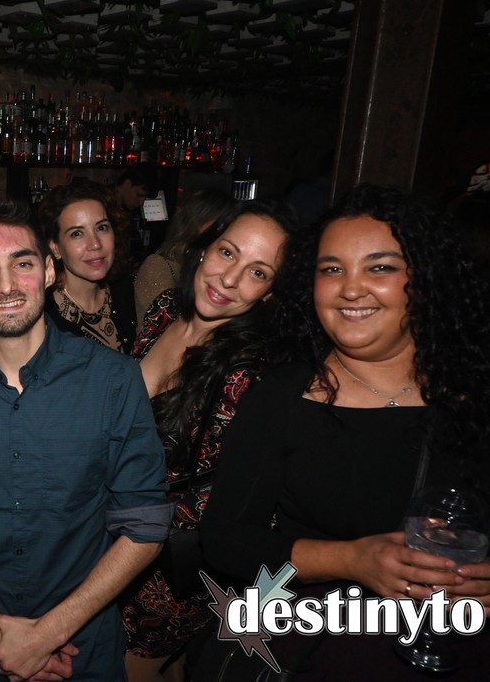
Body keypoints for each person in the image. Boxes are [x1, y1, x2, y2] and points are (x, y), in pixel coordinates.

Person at [199, 185, 490, 677]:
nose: (351, 289)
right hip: (321, 644)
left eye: (379, 267)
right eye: (332, 269)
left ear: (425, 277)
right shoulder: (284, 396)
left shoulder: (474, 394)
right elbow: (225, 541)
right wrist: (351, 560)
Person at [0, 201, 172, 681]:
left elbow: (146, 526)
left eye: (21, 263)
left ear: (47, 271)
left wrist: (44, 636)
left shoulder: (113, 380)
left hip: (79, 645)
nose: (5, 286)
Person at [123, 200, 297, 682]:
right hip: (118, 534)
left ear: (270, 292)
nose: (230, 278)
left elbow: (222, 500)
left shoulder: (247, 371)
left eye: (257, 272)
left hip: (170, 561)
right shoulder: (164, 312)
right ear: (204, 248)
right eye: (227, 252)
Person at [37, 178, 137, 353]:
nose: (95, 244)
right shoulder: (42, 315)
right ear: (55, 248)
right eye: (77, 234)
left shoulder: (127, 291)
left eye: (102, 228)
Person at [133, 188, 236, 320]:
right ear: (197, 222)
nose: (225, 231)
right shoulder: (159, 266)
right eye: (220, 224)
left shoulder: (221, 272)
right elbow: (157, 327)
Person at [113, 163, 161, 261]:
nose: (141, 203)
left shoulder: (129, 209)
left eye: (144, 198)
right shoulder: (103, 204)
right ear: (127, 184)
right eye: (139, 195)